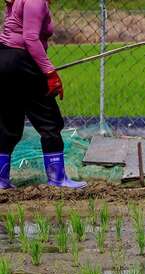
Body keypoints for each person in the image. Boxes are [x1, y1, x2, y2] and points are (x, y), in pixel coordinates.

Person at [0, 0, 86, 189]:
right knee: (49, 121)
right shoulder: (35, 1)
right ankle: (57, 179)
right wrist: (50, 72)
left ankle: (1, 180)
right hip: (23, 61)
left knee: (8, 122)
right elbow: (30, 38)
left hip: (5, 60)